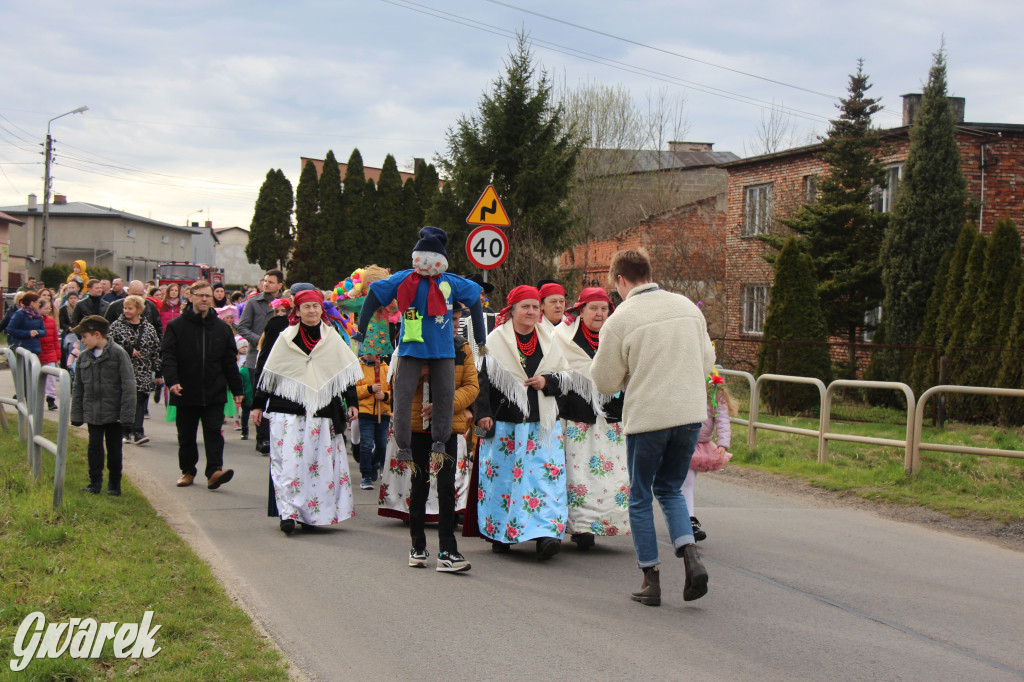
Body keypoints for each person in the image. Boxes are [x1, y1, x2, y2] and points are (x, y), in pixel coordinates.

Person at [592, 248, 716, 606]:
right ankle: (691, 557)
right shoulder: (687, 308)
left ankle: (651, 579)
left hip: (648, 417)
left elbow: (605, 380)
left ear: (620, 280)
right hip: (690, 413)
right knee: (671, 488)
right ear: (649, 272)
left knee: (641, 494)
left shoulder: (620, 318)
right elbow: (707, 361)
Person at [356, 227, 486, 469]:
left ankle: (439, 442)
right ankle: (404, 447)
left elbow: (475, 299)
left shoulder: (450, 281)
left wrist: (480, 339)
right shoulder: (404, 278)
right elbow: (374, 294)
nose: (426, 264)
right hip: (410, 349)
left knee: (445, 396)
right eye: (422, 258)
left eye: (432, 259)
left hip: (443, 350)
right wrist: (361, 331)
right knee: (402, 396)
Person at [251, 288, 361, 534]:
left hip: (321, 413)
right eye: (306, 307)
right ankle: (287, 513)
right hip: (287, 411)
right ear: (297, 311)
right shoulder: (285, 338)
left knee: (317, 466)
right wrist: (258, 405)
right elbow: (268, 374)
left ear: (322, 309)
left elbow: (344, 374)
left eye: (315, 306)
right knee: (288, 464)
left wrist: (351, 401)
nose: (312, 311)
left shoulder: (332, 338)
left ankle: (313, 515)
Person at [472, 285, 570, 558]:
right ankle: (501, 533)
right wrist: (483, 414)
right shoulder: (492, 342)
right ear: (511, 310)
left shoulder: (550, 340)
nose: (531, 311)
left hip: (542, 424)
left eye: (535, 307)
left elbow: (566, 377)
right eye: (525, 306)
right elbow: (480, 380)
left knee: (544, 480)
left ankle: (545, 535)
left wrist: (546, 381)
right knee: (504, 481)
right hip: (504, 423)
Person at [379, 301, 478, 572]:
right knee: (420, 485)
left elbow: (471, 386)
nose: (455, 323)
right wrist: (415, 373)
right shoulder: (410, 347)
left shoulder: (462, 348)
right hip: (417, 427)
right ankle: (417, 546)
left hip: (446, 427)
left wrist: (445, 403)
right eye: (451, 318)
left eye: (458, 319)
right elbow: (393, 386)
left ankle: (447, 549)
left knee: (446, 488)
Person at [554, 287, 629, 548]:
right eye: (593, 308)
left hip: (611, 418)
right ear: (581, 311)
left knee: (610, 474)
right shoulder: (562, 338)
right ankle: (579, 527)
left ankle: (606, 522)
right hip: (576, 417)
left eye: (604, 308)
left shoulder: (618, 336)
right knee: (578, 474)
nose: (599, 314)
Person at [161, 280, 243, 490]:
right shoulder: (176, 326)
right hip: (185, 390)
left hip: (214, 390)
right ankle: (188, 471)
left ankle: (214, 472)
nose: (205, 299)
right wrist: (172, 381)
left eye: (208, 295)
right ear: (191, 297)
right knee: (186, 435)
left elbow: (229, 360)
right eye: (201, 295)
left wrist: (237, 390)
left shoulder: (222, 329)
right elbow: (168, 356)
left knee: (214, 432)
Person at [69, 315, 135, 496]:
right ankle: (94, 482)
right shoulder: (83, 357)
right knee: (94, 448)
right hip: (93, 413)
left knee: (114, 449)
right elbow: (78, 388)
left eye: (84, 337)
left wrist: (127, 415)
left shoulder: (118, 354)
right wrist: (76, 415)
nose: (82, 341)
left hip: (114, 414)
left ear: (97, 334)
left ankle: (114, 483)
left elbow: (128, 385)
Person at [683, 371, 735, 542]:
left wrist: (722, 444)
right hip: (683, 441)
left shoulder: (714, 392)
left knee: (687, 482)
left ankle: (684, 519)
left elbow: (722, 420)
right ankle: (689, 520)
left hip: (702, 444)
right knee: (687, 482)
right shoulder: (685, 385)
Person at [238, 269, 284, 453]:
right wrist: (260, 341)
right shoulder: (253, 302)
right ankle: (262, 438)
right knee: (260, 397)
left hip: (280, 358)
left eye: (271, 282)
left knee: (277, 399)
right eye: (265, 281)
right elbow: (242, 327)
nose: (266, 284)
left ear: (280, 285)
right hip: (256, 357)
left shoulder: (285, 303)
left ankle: (277, 436)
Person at [109, 295, 162, 446]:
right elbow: (109, 344)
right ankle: (125, 431)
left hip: (142, 370)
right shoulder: (116, 326)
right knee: (125, 400)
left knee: (139, 399)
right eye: (125, 308)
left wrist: (158, 372)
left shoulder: (149, 328)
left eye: (130, 308)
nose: (126, 311)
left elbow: (156, 350)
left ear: (139, 310)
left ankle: (138, 431)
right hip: (122, 370)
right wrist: (127, 349)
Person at [355, 353, 391, 489]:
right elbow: (354, 391)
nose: (369, 355)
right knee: (366, 445)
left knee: (382, 445)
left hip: (383, 413)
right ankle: (366, 476)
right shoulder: (359, 367)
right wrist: (370, 389)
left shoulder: (386, 369)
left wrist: (384, 396)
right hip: (365, 413)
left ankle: (372, 465)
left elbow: (393, 391)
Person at [38, 298, 62, 411]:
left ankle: (51, 398)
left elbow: (55, 339)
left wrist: (57, 355)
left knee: (51, 378)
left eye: (49, 308)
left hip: (50, 351)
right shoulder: (35, 320)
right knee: (38, 376)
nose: (48, 310)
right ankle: (37, 398)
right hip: (39, 352)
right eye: (46, 308)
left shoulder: (51, 321)